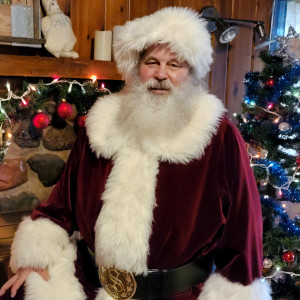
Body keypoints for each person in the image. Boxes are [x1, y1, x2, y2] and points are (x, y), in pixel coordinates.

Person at [0, 6, 271, 300]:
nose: (160, 75)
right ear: (135, 68)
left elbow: (243, 225)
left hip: (179, 293)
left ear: (191, 73)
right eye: (151, 62)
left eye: (174, 65)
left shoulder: (218, 136)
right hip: (88, 285)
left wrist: (239, 287)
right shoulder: (101, 126)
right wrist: (33, 259)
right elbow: (60, 203)